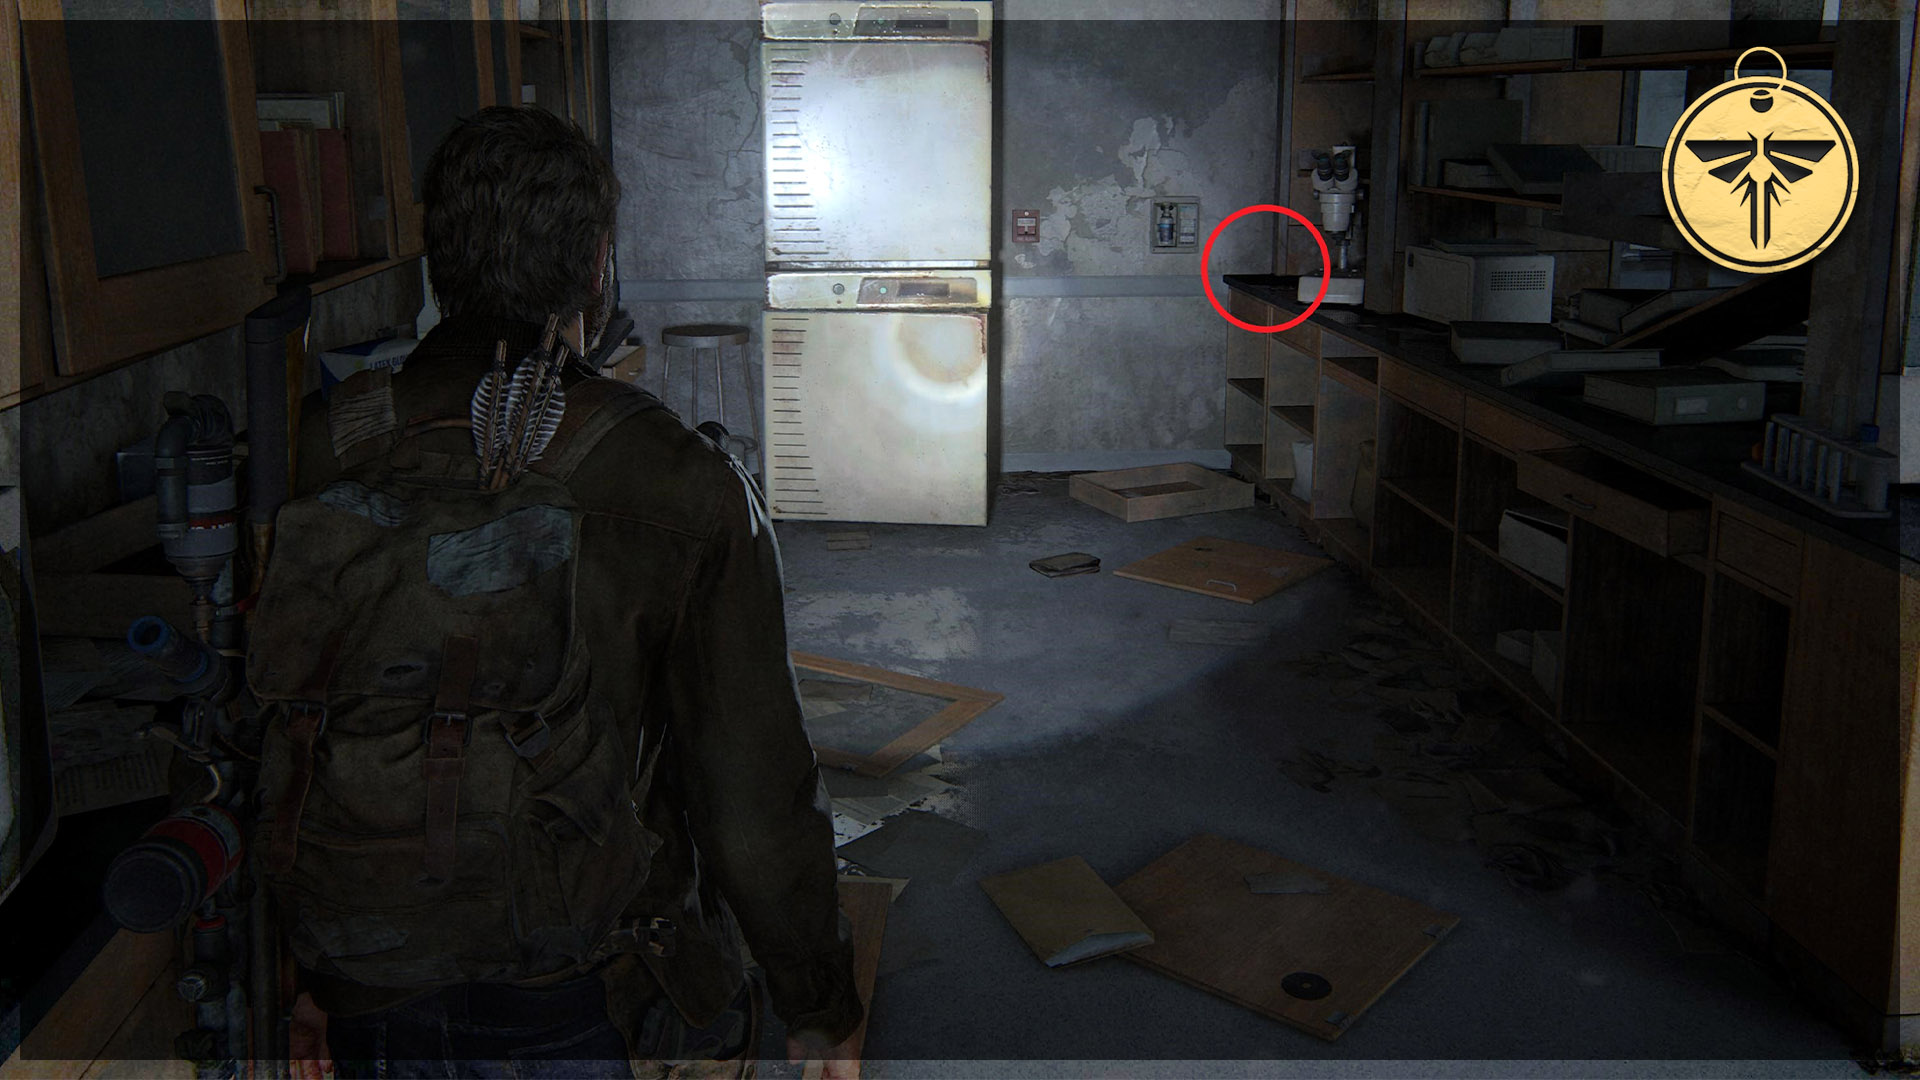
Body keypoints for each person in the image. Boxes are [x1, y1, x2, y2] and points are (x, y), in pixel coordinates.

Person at [278, 105, 864, 1079]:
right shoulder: (683, 483)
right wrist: (819, 1002)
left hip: (367, 975)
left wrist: (308, 973)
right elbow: (752, 789)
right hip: (587, 987)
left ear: (438, 262)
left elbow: (291, 730)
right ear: (598, 265)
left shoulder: (317, 446)